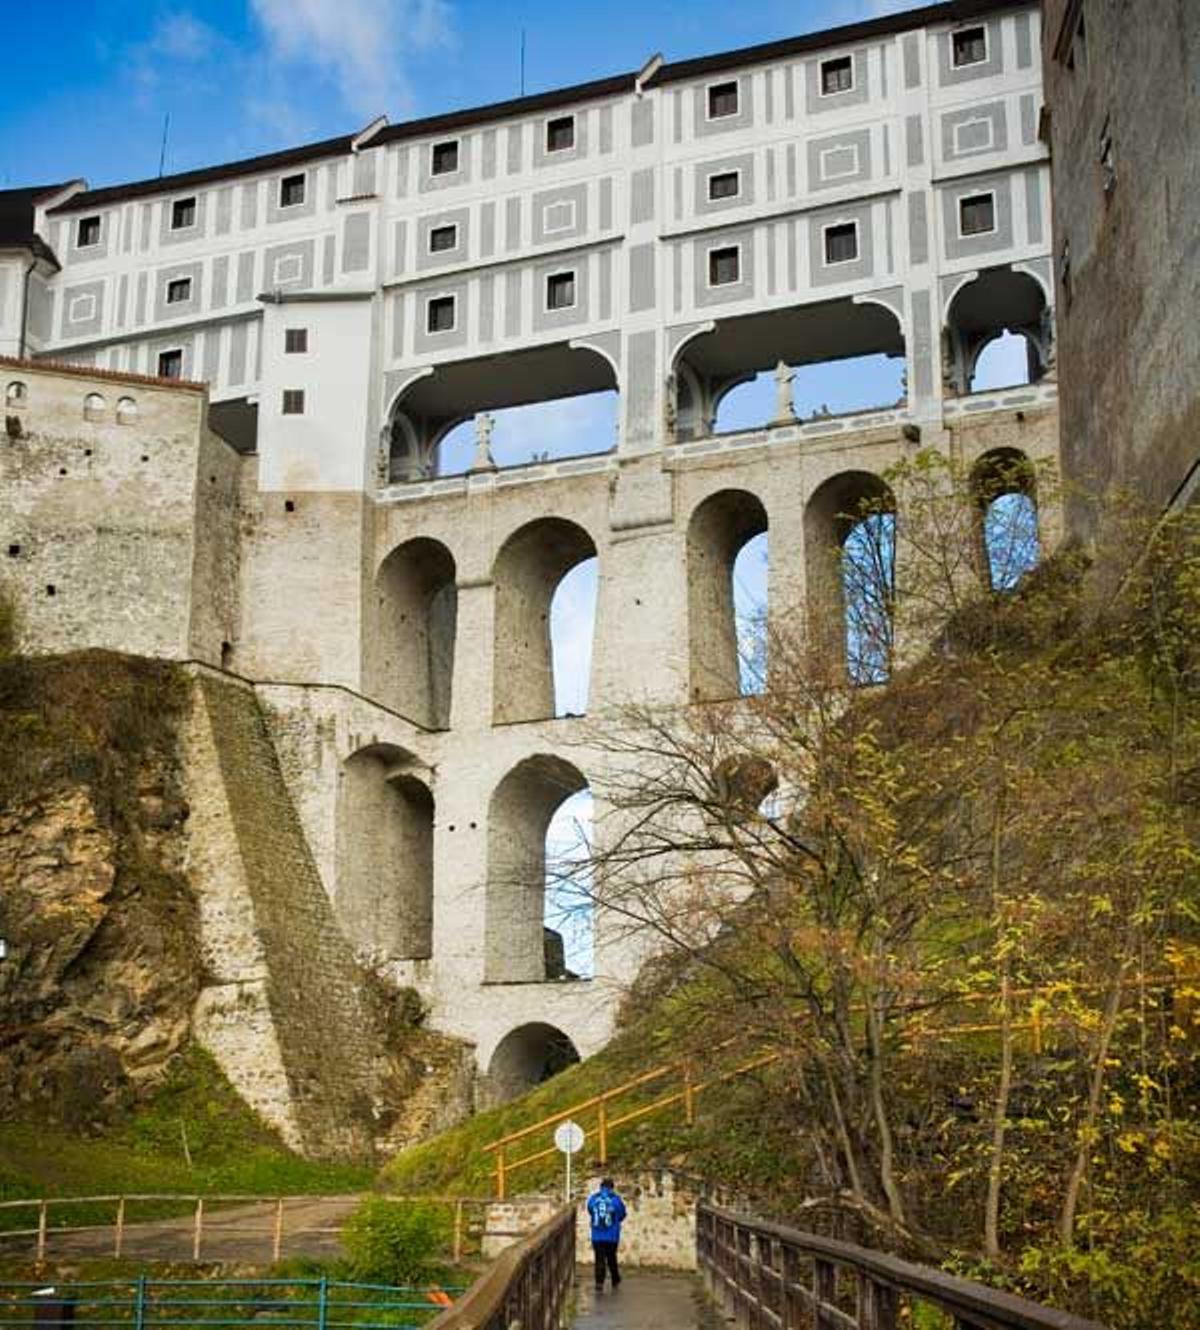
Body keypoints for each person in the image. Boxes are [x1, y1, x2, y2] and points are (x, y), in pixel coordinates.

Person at [586, 1177, 627, 1291]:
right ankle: (615, 1279)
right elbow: (623, 1214)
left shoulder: (593, 1199)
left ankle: (599, 1282)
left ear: (601, 1187)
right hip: (612, 1236)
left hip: (597, 1235)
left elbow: (590, 1211)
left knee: (599, 1258)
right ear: (612, 1188)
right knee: (611, 1257)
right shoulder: (616, 1200)